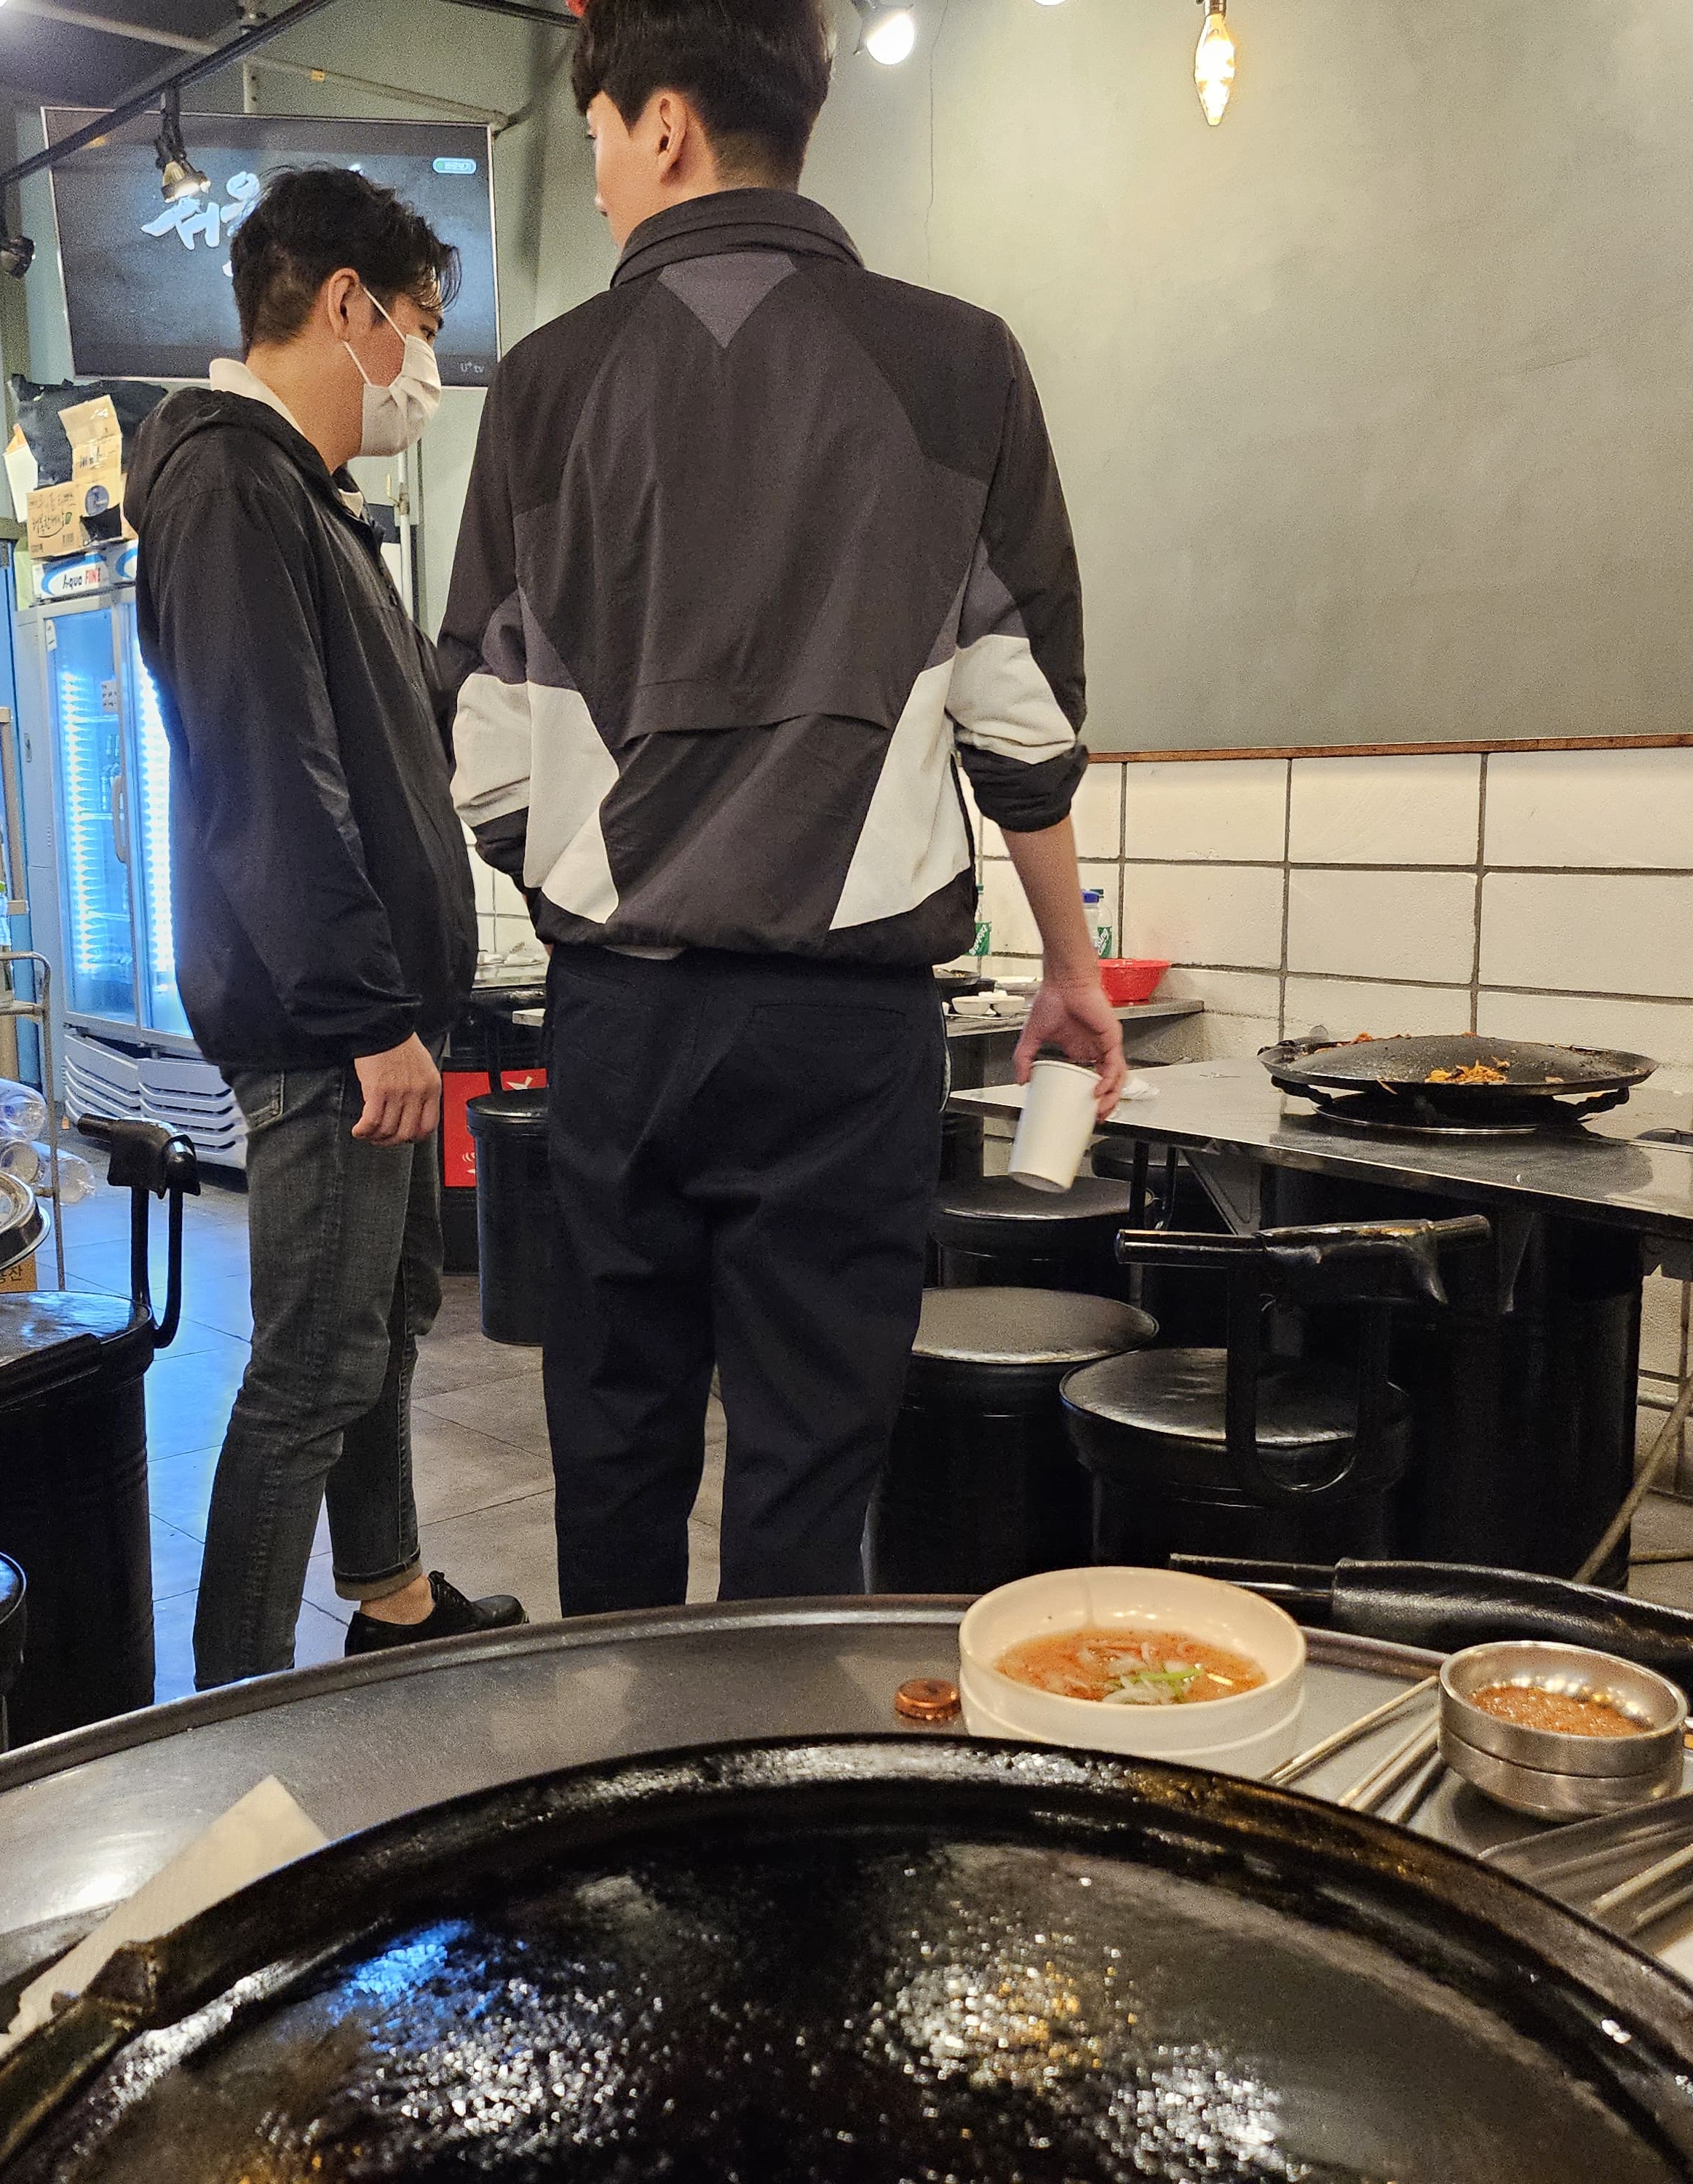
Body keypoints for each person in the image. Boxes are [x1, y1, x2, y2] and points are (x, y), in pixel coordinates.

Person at [437, 0, 1125, 1615]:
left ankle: (623, 1760)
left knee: (614, 1457)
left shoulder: (544, 386)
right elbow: (1021, 720)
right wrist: (1070, 966)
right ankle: (781, 1775)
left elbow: (482, 743)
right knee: (810, 1478)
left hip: (621, 1023)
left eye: (597, 138)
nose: (597, 175)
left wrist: (600, 874)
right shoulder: (959, 362)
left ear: (665, 123)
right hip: (845, 1036)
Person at [125, 167, 525, 1677]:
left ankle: (392, 1600)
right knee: (308, 1367)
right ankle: (229, 1710)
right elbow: (266, 774)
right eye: (422, 323)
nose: (426, 368)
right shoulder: (231, 485)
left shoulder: (301, 495)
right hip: (323, 1030)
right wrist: (366, 1017)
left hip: (368, 1014)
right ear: (348, 305)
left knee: (384, 1321)